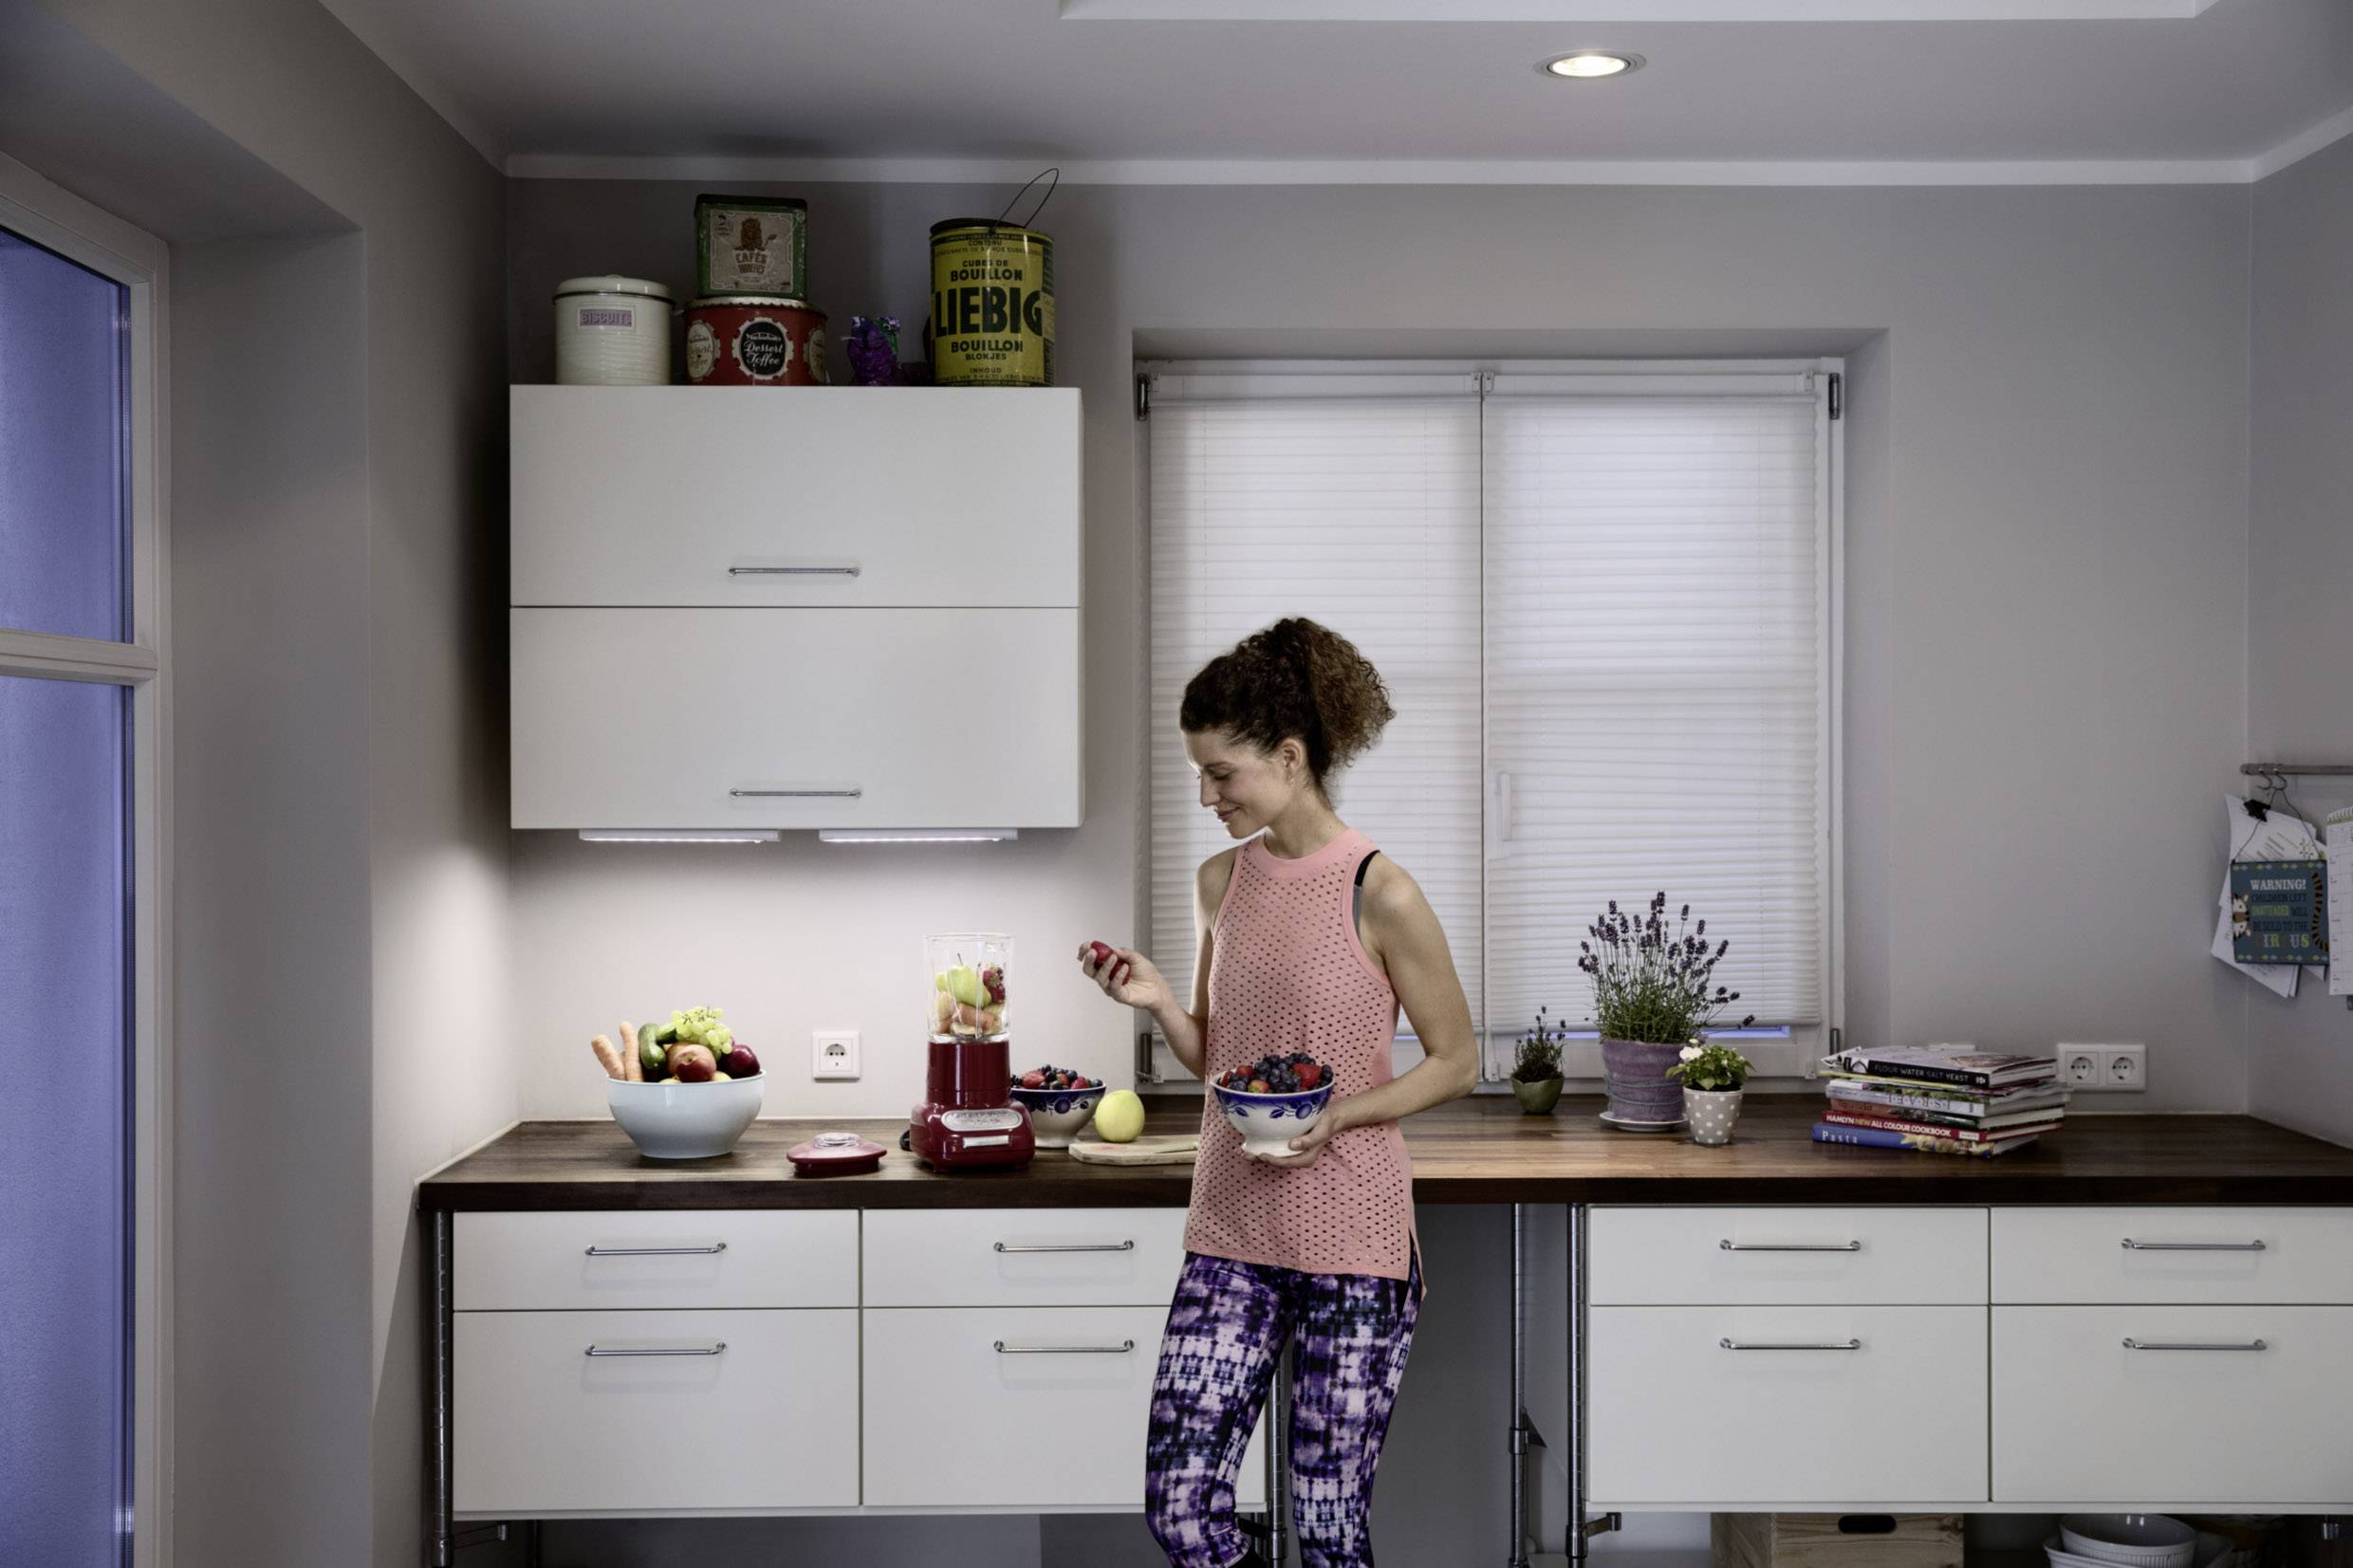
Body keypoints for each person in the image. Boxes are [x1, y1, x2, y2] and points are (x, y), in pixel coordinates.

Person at [1078, 617, 1479, 1568]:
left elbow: (1455, 1060)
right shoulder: (1221, 881)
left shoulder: (1380, 892)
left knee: (1331, 1531)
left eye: (1222, 772)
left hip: (1352, 1240)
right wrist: (1158, 1002)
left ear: (1289, 757)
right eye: (1199, 773)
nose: (1206, 794)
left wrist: (1337, 1116)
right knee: (1180, 1508)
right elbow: (1217, 1057)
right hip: (1230, 1234)